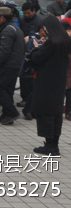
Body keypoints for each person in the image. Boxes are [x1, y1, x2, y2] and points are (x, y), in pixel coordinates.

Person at [30, 16, 71, 155]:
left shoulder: (51, 43)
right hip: (59, 82)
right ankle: (54, 145)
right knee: (56, 114)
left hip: (46, 82)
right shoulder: (65, 41)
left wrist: (36, 48)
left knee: (46, 113)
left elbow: (37, 58)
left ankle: (49, 146)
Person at [0, 6, 25, 125]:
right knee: (8, 90)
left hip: (8, 64)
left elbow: (4, 50)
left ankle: (12, 112)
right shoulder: (15, 28)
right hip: (15, 64)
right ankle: (6, 115)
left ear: (3, 18)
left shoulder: (7, 30)